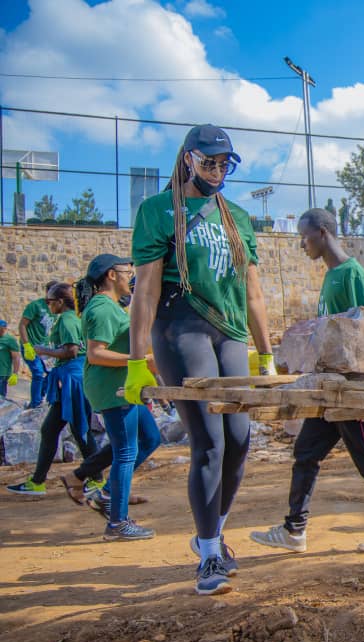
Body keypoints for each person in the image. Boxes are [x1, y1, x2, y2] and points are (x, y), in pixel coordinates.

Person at [126, 124, 275, 595]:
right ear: (188, 158)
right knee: (209, 441)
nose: (216, 169)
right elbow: (146, 289)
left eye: (223, 162)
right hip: (179, 325)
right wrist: (136, 359)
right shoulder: (158, 210)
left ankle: (210, 532)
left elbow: (252, 292)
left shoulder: (239, 218)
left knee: (239, 439)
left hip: (229, 331)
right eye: (208, 161)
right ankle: (210, 556)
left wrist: (266, 354)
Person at [250, 208, 364, 555]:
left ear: (322, 233)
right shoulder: (331, 276)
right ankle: (294, 530)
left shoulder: (352, 274)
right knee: (306, 452)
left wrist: (359, 386)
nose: (301, 244)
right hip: (329, 388)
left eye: (304, 236)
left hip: (351, 389)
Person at [80, 254, 162, 540]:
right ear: (111, 275)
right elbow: (96, 353)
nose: (131, 276)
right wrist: (138, 360)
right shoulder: (101, 308)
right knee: (125, 453)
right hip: (111, 389)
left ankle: (106, 495)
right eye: (127, 271)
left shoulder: (112, 307)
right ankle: (117, 523)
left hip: (124, 386)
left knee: (151, 438)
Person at [6, 283, 112, 496]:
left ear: (61, 302)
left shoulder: (67, 320)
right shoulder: (70, 319)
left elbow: (71, 351)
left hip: (72, 380)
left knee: (80, 429)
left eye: (50, 301)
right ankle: (38, 481)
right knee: (52, 430)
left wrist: (41, 350)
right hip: (71, 378)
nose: (48, 305)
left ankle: (97, 478)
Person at [19, 281, 58, 408]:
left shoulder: (55, 309)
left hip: (45, 347)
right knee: (38, 373)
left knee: (51, 373)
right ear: (47, 292)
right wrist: (26, 345)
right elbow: (22, 325)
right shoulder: (36, 306)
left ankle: (41, 398)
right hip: (31, 346)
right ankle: (35, 403)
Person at [0, 320, 22, 398]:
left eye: (2, 329)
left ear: (5, 328)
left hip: (3, 373)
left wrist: (15, 374)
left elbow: (16, 357)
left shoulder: (10, 340)